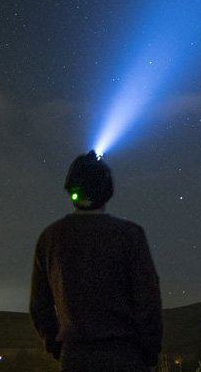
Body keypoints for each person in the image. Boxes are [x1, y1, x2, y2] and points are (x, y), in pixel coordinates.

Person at [29, 151, 162, 371]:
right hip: (126, 356)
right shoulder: (130, 235)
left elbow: (40, 306)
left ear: (71, 188)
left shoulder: (50, 238)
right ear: (107, 190)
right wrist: (148, 353)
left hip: (76, 357)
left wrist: (58, 348)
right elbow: (148, 301)